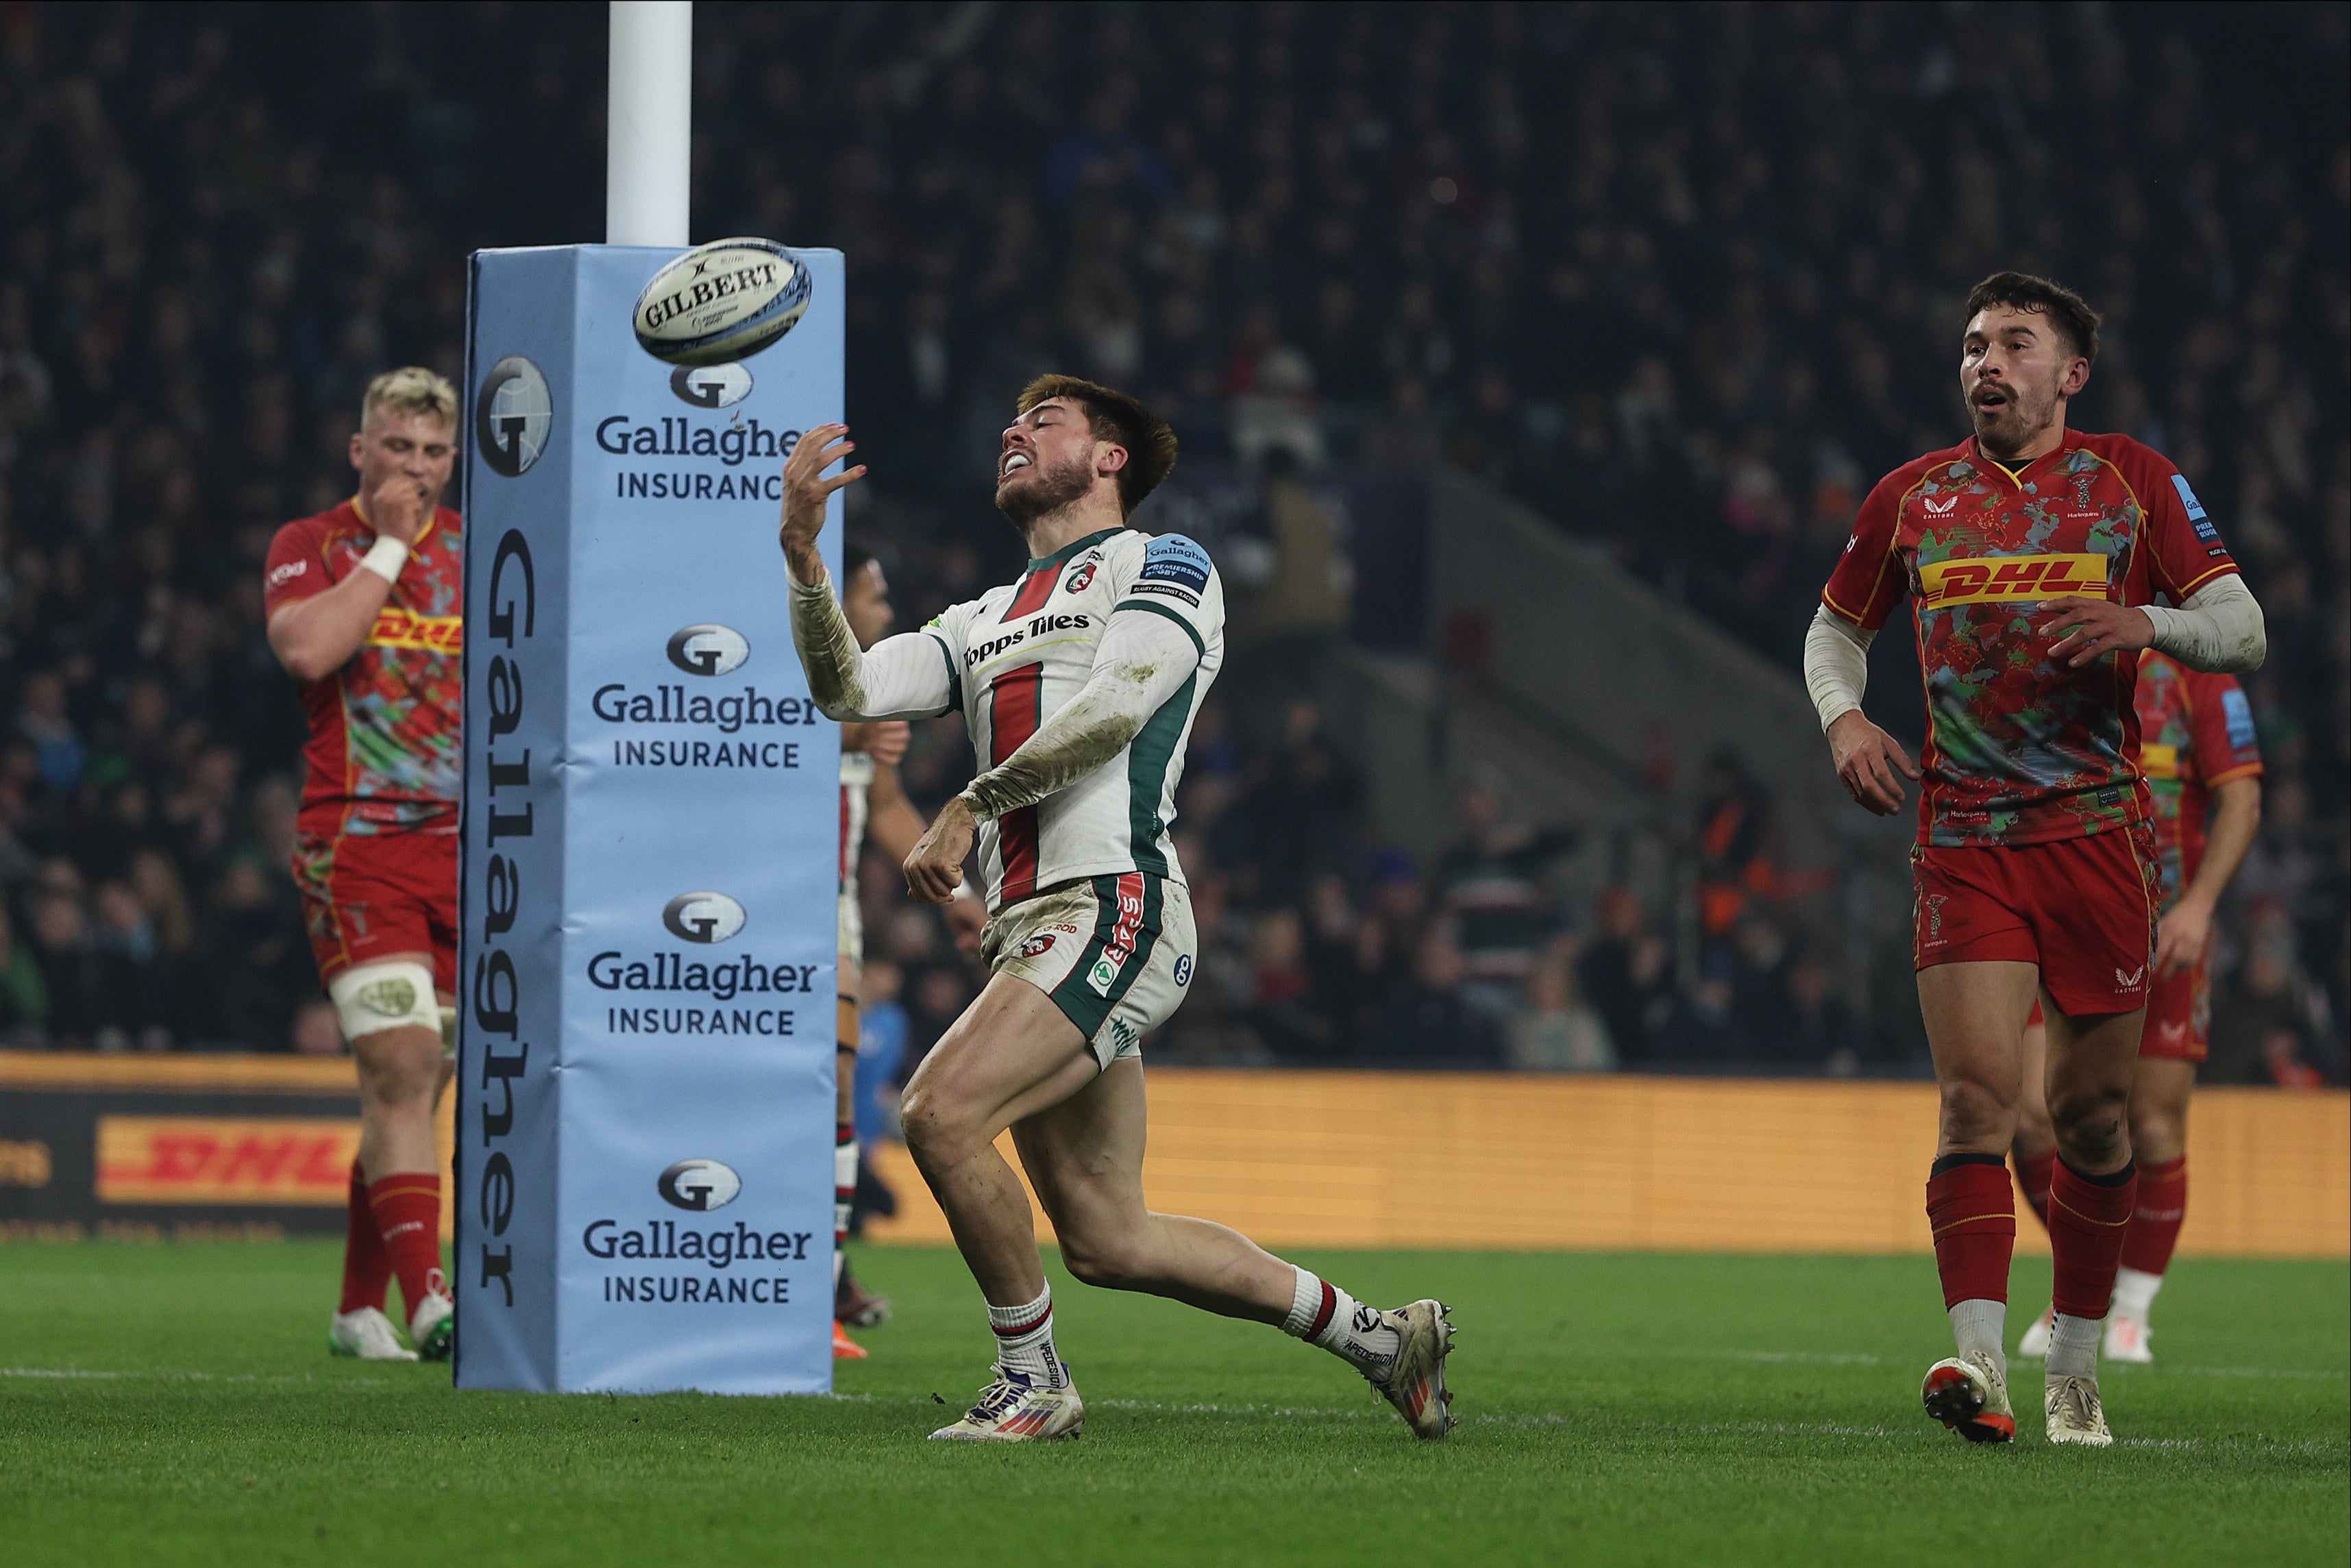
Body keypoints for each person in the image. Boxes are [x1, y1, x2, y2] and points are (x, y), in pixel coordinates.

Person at [779, 375, 1453, 1442]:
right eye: (1009, 417)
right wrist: (804, 559)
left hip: (1111, 906)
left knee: (939, 1114)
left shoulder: (1161, 564)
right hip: (1031, 931)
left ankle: (1031, 1380)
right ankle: (1382, 1335)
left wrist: (971, 801)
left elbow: (1116, 706)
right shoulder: (980, 618)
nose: (1012, 429)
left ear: (1109, 460)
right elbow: (847, 690)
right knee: (1107, 1239)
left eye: (1043, 420)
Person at [1805, 273, 2265, 1447]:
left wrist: (2148, 622)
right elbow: (1834, 629)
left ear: (2071, 372)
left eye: (2014, 342)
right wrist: (1846, 718)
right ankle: (1977, 1367)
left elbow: (2243, 625)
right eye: (1970, 345)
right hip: (1964, 835)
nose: (1984, 362)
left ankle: (2072, 1366)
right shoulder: (1914, 496)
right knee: (1976, 1102)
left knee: (2093, 1117)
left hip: (2100, 837)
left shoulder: (2132, 480)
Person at [264, 368, 463, 1362]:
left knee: (416, 1089)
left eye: (433, 452)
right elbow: (308, 653)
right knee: (401, 1062)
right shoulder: (312, 546)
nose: (415, 469)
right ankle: (432, 1301)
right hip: (358, 845)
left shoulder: (481, 554)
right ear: (360, 451)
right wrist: (388, 541)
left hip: (471, 857)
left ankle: (355, 1306)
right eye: (397, 448)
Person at [2009, 652, 2263, 1362]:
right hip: (2060, 921)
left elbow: (2241, 799)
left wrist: (2200, 906)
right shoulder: (2055, 650)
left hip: (2163, 933)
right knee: (2030, 1116)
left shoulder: (2195, 671)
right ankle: (2083, 1289)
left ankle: (2127, 1311)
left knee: (2151, 1123)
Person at [829, 543, 985, 1358]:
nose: (884, 615)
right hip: (767, 907)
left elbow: (888, 810)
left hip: (833, 913)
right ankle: (809, 1273)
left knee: (840, 1083)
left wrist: (960, 899)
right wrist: (849, 738)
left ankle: (823, 1272)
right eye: (874, 597)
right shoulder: (792, 688)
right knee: (825, 1085)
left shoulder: (870, 702)